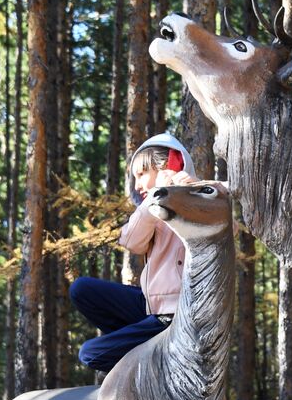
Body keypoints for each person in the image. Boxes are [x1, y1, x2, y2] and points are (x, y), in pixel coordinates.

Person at [70, 132, 197, 373]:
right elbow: (131, 241)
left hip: (174, 314)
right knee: (81, 289)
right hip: (150, 306)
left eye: (141, 174)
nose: (137, 185)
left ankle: (155, 357)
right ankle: (151, 348)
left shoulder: (197, 194)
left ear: (168, 165)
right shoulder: (151, 208)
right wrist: (155, 199)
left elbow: (223, 230)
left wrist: (184, 189)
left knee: (90, 353)